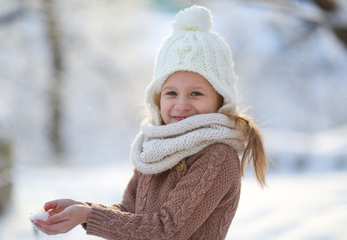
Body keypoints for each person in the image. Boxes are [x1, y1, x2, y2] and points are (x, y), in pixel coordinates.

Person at [32, 5, 269, 239]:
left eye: (196, 93)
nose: (182, 105)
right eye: (171, 93)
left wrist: (88, 215)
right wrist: (82, 209)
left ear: (220, 99)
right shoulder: (156, 148)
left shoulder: (216, 156)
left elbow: (167, 230)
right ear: (157, 97)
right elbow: (129, 213)